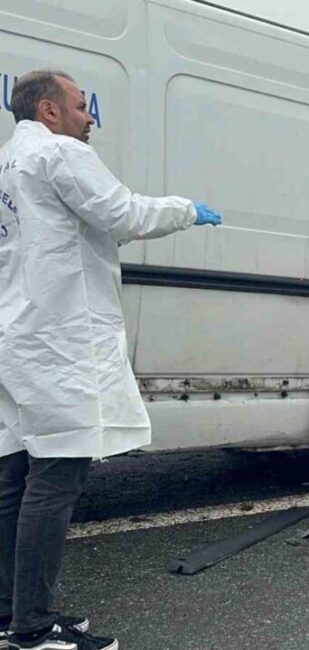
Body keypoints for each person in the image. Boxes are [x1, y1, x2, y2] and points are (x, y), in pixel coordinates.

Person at [0, 70, 222, 650]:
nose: (88, 115)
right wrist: (185, 209)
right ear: (49, 110)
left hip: (18, 334)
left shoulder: (8, 164)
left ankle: (12, 612)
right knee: (56, 476)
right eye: (80, 106)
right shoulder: (60, 154)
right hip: (58, 339)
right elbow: (123, 213)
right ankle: (32, 631)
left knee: (15, 476)